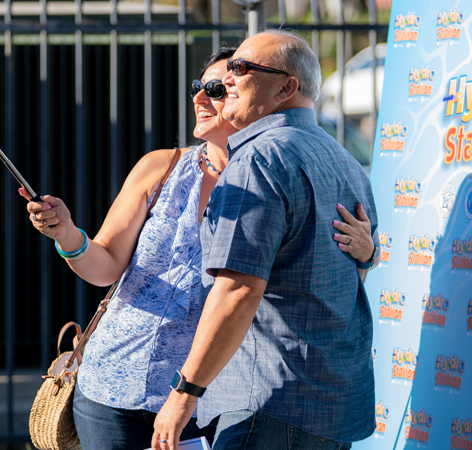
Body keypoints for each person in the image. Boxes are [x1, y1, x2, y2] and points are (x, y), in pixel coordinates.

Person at [21, 47, 375, 449]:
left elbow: (314, 272)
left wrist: (366, 253)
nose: (199, 98)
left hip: (205, 400)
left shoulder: (271, 172)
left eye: (216, 89)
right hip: (111, 384)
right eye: (197, 87)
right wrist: (67, 234)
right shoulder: (162, 166)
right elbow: (104, 268)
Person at [152, 30, 378, 450]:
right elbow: (354, 269)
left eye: (241, 68)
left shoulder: (258, 158)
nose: (228, 80)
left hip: (268, 404)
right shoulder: (346, 161)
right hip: (331, 406)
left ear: (286, 87)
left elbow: (238, 288)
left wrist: (184, 395)